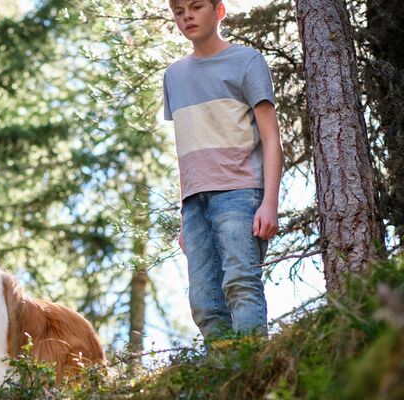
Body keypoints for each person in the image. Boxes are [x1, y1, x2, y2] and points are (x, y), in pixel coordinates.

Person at [162, 0, 283, 341]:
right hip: (194, 203)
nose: (186, 15)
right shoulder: (174, 76)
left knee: (241, 283)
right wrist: (185, 216)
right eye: (178, 10)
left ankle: (253, 374)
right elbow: (188, 147)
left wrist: (269, 202)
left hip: (241, 192)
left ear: (219, 11)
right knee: (204, 302)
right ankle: (223, 379)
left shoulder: (247, 62)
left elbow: (271, 140)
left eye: (196, 6)